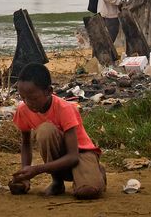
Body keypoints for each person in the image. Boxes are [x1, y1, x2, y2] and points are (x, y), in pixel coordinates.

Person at [9, 63, 105, 199]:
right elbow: (26, 143)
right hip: (60, 160)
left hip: (81, 153)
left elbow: (73, 156)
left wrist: (36, 170)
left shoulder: (65, 109)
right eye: (23, 97)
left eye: (33, 98)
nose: (28, 102)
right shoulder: (23, 110)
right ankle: (57, 182)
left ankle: (97, 171)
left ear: (48, 91)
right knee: (45, 131)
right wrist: (24, 176)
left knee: (87, 192)